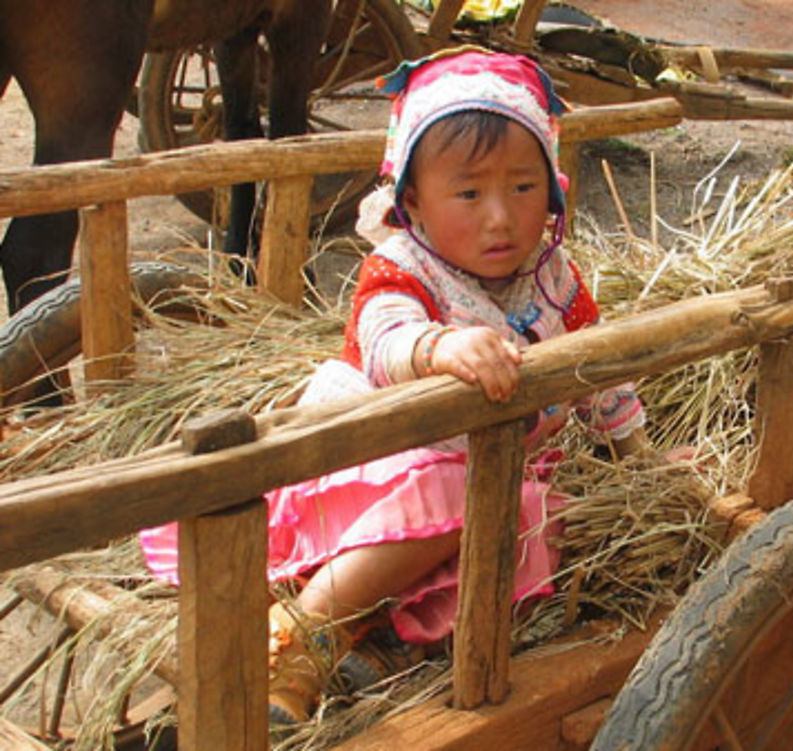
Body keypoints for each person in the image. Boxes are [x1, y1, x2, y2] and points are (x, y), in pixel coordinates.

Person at [139, 46, 665, 725]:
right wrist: (440, 346)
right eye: (470, 193)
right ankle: (302, 636)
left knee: (535, 512)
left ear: (554, 186)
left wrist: (640, 457)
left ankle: (386, 639)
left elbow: (598, 369)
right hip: (383, 463)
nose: (500, 217)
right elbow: (385, 341)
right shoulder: (403, 267)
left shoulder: (551, 275)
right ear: (411, 200)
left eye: (524, 187)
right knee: (457, 491)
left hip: (493, 479)